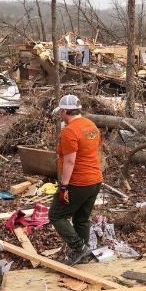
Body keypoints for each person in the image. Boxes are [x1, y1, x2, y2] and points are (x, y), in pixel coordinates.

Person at [48, 94, 103, 265]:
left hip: (79, 182)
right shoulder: (91, 126)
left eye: (61, 113)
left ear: (64, 111)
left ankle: (79, 248)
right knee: (81, 218)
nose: (60, 116)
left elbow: (70, 161)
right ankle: (83, 256)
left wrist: (64, 187)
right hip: (95, 180)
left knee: (56, 215)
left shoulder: (70, 131)